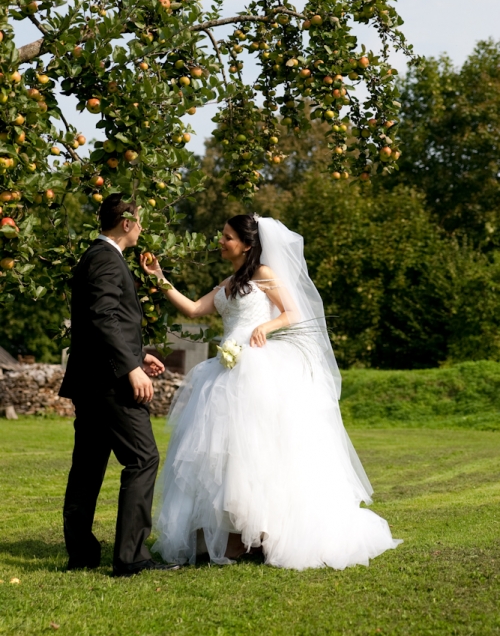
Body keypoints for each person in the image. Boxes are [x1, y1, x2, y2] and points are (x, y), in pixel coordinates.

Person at [141, 214, 402, 570]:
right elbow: (193, 308)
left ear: (247, 244)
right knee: (225, 457)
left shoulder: (265, 275)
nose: (221, 241)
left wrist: (266, 325)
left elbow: (293, 313)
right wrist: (159, 277)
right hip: (224, 374)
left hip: (257, 371)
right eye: (223, 236)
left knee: (260, 453)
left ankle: (263, 535)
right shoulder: (228, 282)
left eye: (228, 237)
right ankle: (234, 536)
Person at [60, 193, 181, 576]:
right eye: (140, 220)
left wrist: (137, 353)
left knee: (88, 467)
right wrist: (130, 367)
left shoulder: (96, 258)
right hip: (110, 382)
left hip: (93, 378)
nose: (142, 227)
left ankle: (82, 555)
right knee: (143, 459)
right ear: (126, 223)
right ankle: (131, 559)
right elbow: (103, 318)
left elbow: (104, 322)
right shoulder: (107, 260)